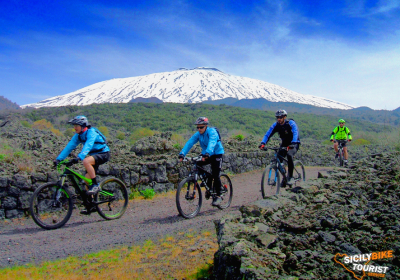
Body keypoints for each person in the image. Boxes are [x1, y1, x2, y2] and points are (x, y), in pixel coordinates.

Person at [55, 115, 110, 195]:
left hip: (104, 153)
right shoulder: (78, 136)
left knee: (86, 161)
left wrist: (79, 157)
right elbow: (68, 147)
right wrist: (59, 159)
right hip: (93, 156)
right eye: (74, 126)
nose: (75, 128)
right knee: (86, 182)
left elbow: (88, 145)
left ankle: (95, 184)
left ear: (83, 126)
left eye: (76, 126)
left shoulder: (91, 132)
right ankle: (92, 205)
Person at [178, 117, 225, 206]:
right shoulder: (198, 134)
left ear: (206, 126)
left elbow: (212, 142)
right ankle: (207, 181)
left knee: (215, 174)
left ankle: (219, 196)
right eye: (198, 127)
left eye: (201, 127)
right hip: (206, 153)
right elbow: (189, 143)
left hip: (216, 153)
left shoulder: (212, 132)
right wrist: (182, 154)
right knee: (197, 163)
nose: (199, 129)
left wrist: (207, 153)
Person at [258, 110, 300, 185]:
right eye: (277, 117)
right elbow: (268, 134)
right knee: (278, 159)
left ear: (285, 117)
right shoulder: (276, 125)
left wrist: (293, 143)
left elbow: (295, 132)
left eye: (280, 117)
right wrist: (263, 143)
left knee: (289, 155)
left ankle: (290, 177)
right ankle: (284, 177)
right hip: (285, 143)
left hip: (294, 143)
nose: (279, 119)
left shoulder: (290, 123)